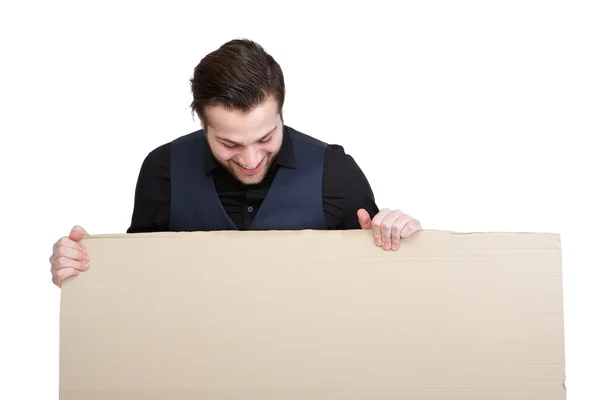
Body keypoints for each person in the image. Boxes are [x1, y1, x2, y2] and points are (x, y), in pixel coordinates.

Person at [49, 38, 422, 288]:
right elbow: (138, 284)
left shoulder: (336, 172)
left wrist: (398, 235)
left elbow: (381, 289)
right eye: (228, 143)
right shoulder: (162, 171)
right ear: (201, 119)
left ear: (281, 108)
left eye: (265, 138)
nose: (249, 159)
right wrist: (82, 268)